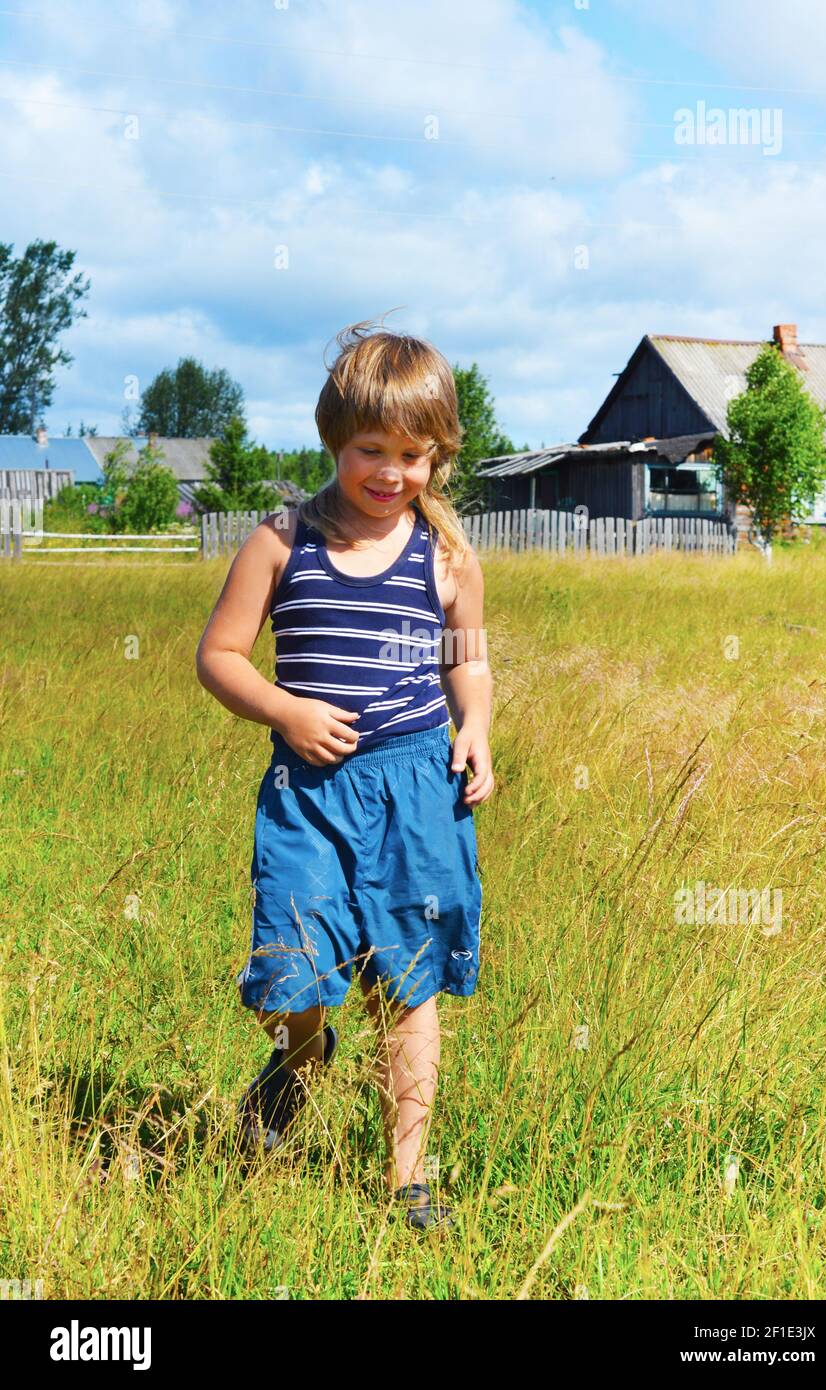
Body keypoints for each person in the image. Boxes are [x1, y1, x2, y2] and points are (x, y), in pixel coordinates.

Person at [195, 317, 494, 1232]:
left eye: (416, 453)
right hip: (309, 793)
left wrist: (475, 723)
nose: (392, 471)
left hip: (417, 791)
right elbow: (220, 655)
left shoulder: (446, 555)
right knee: (298, 969)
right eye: (372, 449)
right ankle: (298, 1057)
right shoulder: (282, 541)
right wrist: (283, 709)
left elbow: (467, 660)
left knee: (408, 984)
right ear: (334, 437)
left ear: (438, 454)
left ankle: (409, 1179)